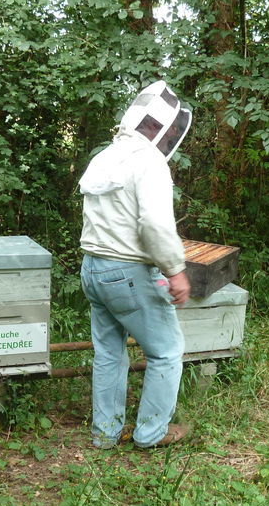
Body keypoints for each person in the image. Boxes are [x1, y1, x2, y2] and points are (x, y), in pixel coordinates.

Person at [78, 80, 193, 449]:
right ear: (158, 128)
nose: (173, 136)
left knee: (110, 354)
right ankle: (151, 434)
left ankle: (105, 434)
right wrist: (175, 270)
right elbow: (155, 224)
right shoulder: (149, 161)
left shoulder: (105, 156)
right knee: (166, 352)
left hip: (93, 269)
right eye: (172, 129)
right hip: (128, 273)